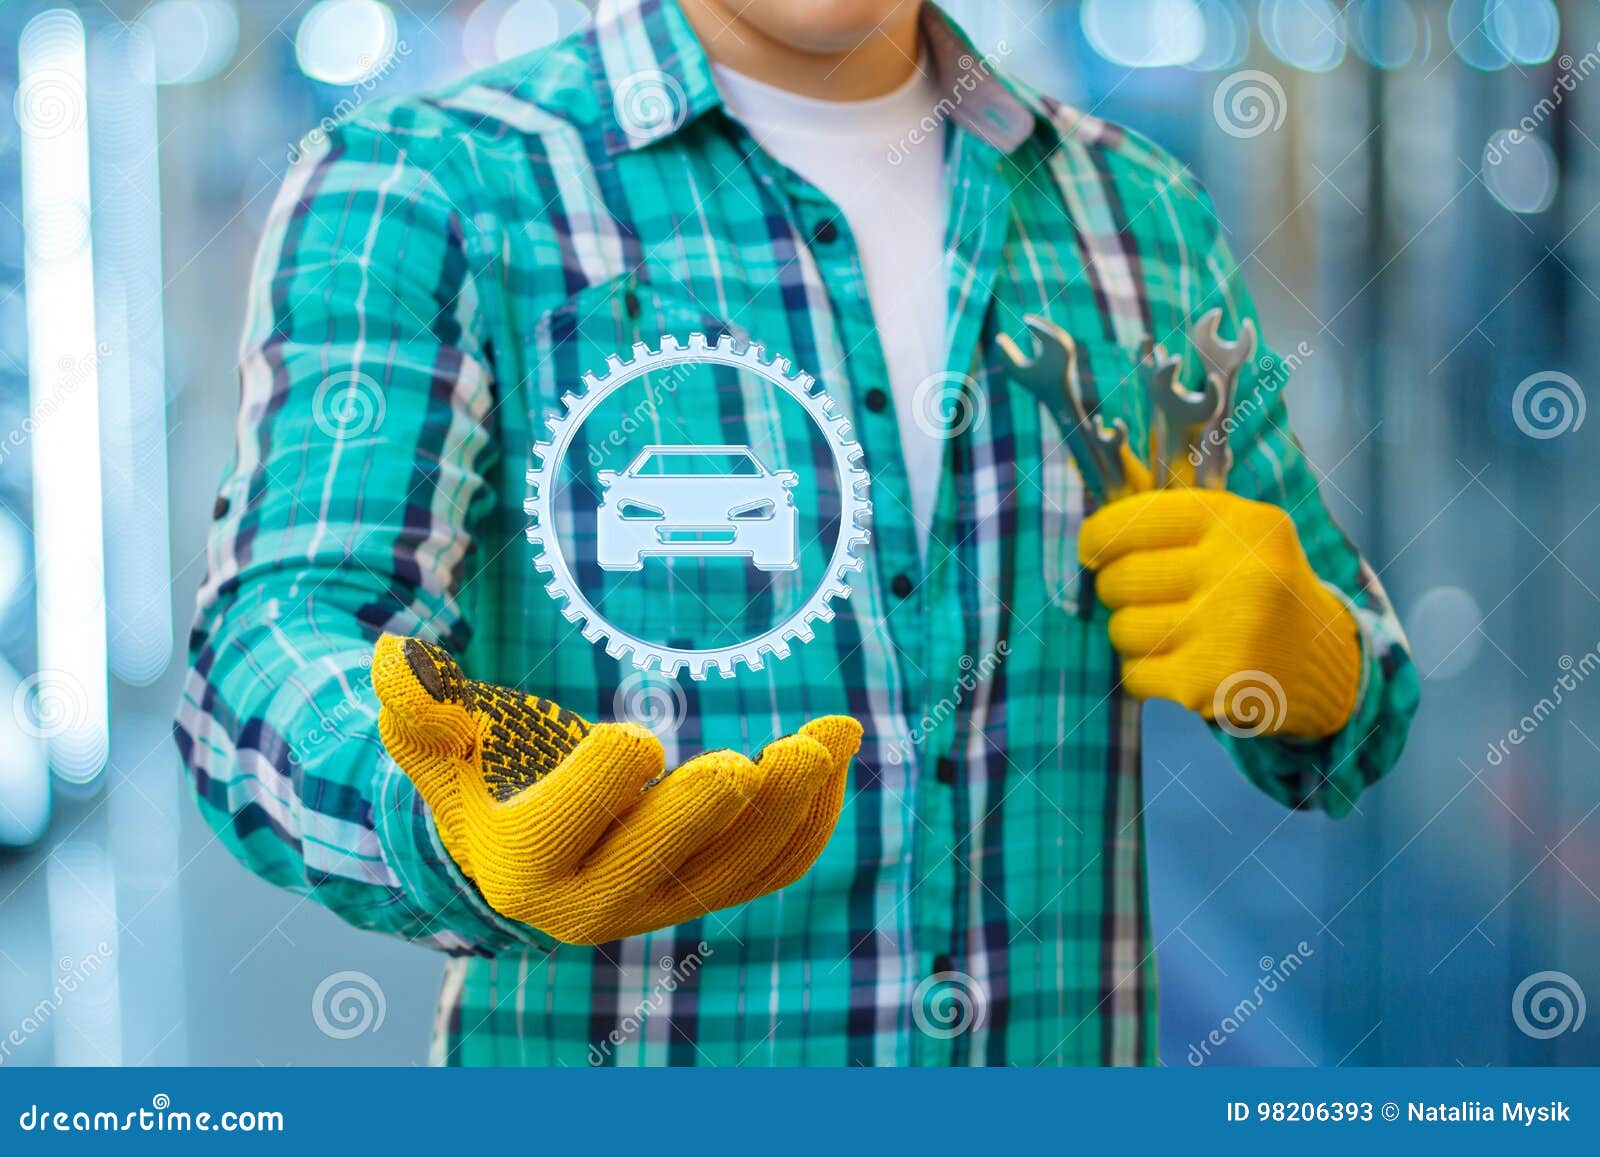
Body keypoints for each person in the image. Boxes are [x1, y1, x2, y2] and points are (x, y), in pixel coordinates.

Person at [175, 0, 1419, 1066]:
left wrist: (1313, 662)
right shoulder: (430, 185)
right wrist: (436, 807)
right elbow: (277, 636)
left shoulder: (1136, 214)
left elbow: (1360, 694)